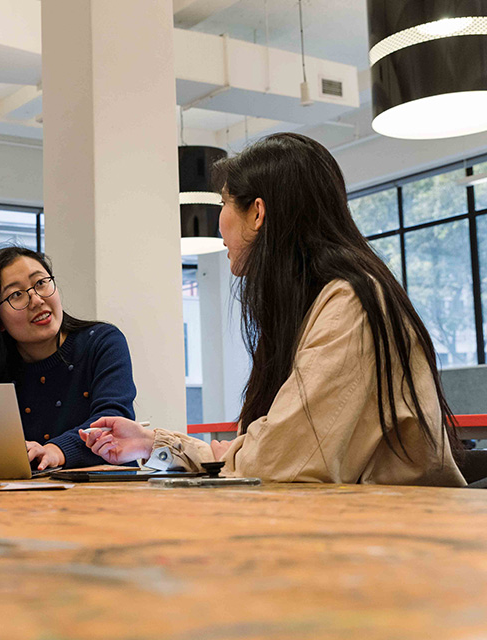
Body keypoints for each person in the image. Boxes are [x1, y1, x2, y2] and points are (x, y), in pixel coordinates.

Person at [82, 133, 466, 486]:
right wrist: (154, 442)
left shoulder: (351, 304)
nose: (219, 224)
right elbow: (267, 448)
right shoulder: (322, 298)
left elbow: (275, 461)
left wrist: (166, 445)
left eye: (223, 203)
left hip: (401, 539)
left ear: (258, 213)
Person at [0, 246, 136, 470]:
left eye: (40, 283)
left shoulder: (103, 342)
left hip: (109, 491)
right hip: (20, 499)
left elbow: (114, 420)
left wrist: (56, 451)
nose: (36, 300)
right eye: (16, 295)